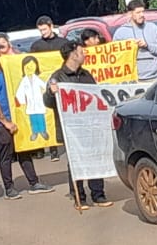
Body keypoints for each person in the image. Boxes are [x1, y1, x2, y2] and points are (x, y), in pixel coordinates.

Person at [0, 41, 54, 200]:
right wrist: (6, 122)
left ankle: (34, 182)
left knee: (24, 151)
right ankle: (9, 188)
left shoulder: (3, 70)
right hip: (1, 124)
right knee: (6, 156)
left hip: (16, 118)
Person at [45, 41, 114, 210]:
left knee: (94, 158)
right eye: (81, 52)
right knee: (76, 162)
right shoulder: (57, 77)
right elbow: (47, 102)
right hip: (71, 130)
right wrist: (51, 93)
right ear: (73, 55)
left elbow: (96, 97)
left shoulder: (86, 75)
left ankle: (98, 194)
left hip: (89, 126)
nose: (84, 55)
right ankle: (79, 197)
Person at [113, 0, 157, 81]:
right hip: (133, 80)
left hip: (155, 78)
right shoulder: (121, 33)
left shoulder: (153, 28)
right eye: (138, 12)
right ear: (130, 14)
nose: (142, 15)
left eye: (143, 12)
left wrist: (147, 45)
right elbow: (116, 57)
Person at [14, 56, 49, 142]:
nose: (30, 69)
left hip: (39, 102)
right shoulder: (24, 81)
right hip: (30, 103)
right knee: (33, 119)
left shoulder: (37, 79)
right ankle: (35, 132)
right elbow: (20, 91)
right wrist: (20, 100)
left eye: (32, 66)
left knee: (40, 117)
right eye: (27, 67)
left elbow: (44, 86)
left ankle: (43, 131)